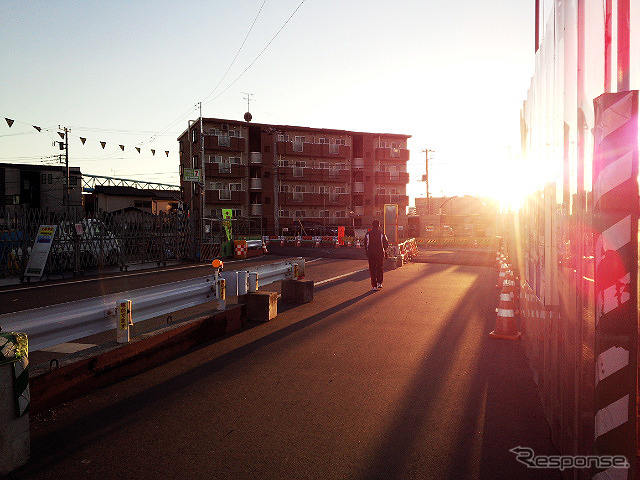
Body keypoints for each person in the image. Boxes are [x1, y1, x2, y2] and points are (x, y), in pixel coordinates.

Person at [364, 219, 389, 291]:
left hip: (371, 254)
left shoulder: (368, 234)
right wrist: (385, 250)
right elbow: (386, 243)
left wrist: (367, 251)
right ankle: (380, 283)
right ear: (379, 225)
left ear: (372, 225)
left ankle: (374, 286)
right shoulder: (381, 234)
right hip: (380, 254)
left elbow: (366, 244)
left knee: (372, 269)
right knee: (380, 268)